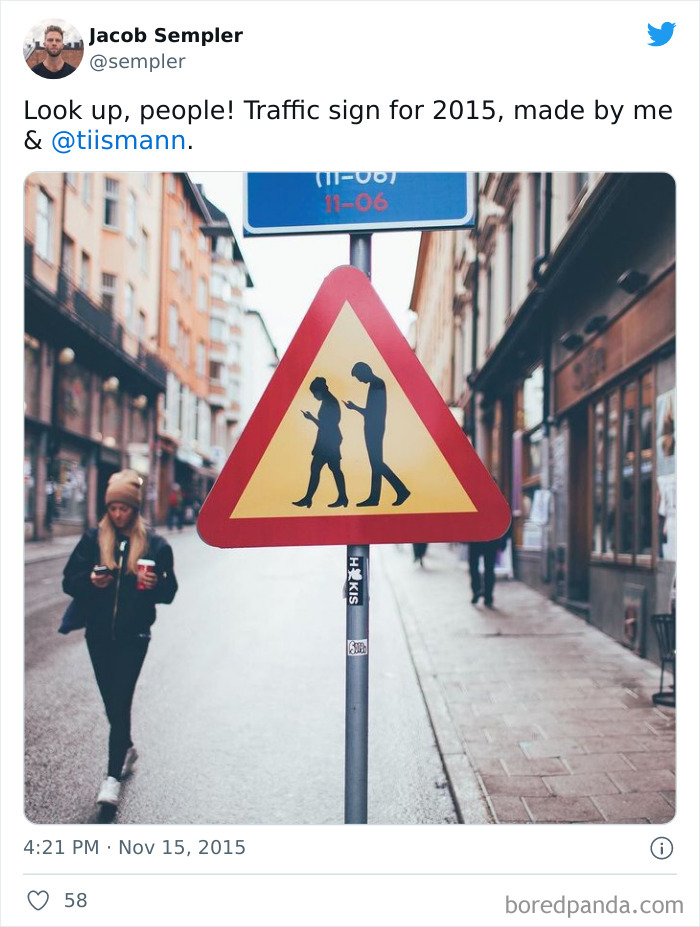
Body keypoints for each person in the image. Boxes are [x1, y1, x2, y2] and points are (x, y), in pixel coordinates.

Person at [62, 470, 178, 808]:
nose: (117, 514)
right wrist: (90, 581)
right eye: (112, 508)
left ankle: (111, 778)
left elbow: (171, 593)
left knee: (121, 700)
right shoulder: (92, 540)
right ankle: (126, 747)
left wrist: (158, 585)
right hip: (97, 635)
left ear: (134, 508)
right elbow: (69, 581)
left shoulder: (157, 545)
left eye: (123, 508)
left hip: (135, 636)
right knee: (111, 702)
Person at [344, 362, 410, 507]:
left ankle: (400, 490)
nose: (360, 380)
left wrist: (354, 407)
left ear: (365, 371)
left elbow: (373, 412)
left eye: (359, 377)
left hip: (375, 429)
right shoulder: (374, 384)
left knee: (377, 463)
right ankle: (376, 497)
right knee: (375, 463)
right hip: (372, 427)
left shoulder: (377, 384)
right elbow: (371, 411)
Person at [293, 376, 348, 508]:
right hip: (327, 440)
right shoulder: (328, 401)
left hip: (329, 441)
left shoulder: (330, 402)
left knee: (327, 469)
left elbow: (328, 425)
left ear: (320, 391)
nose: (314, 396)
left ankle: (340, 498)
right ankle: (339, 498)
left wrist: (311, 418)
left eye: (314, 393)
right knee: (327, 469)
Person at [468, 533, 507, 607]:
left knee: (474, 566)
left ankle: (477, 590)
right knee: (488, 568)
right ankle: (487, 596)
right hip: (490, 538)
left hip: (477, 538)